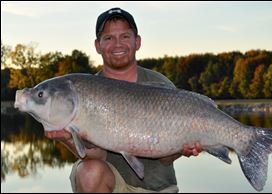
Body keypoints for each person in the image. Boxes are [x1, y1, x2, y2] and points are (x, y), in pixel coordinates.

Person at [45, 7, 202, 193]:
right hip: (112, 185)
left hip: (158, 188)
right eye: (109, 38)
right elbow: (98, 155)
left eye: (125, 36)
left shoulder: (159, 84)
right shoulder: (85, 92)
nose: (117, 44)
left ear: (137, 42)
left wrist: (182, 148)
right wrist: (68, 138)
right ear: (98, 45)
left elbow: (165, 159)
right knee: (88, 171)